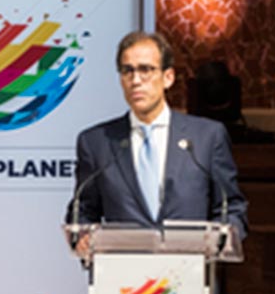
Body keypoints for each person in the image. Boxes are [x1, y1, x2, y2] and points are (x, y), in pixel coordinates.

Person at [72, 30, 247, 247]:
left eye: (146, 70)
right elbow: (83, 211)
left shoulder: (206, 137)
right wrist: (82, 237)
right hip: (123, 265)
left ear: (168, 77)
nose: (136, 80)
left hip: (189, 263)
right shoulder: (97, 143)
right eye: (127, 71)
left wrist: (222, 237)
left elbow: (231, 206)